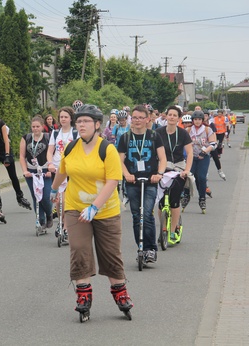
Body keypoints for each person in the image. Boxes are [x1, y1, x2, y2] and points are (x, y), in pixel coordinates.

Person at [50, 104, 134, 319]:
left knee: (110, 254)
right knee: (79, 249)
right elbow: (62, 171)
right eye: (79, 121)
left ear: (97, 125)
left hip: (105, 210)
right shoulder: (70, 148)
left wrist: (95, 207)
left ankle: (121, 294)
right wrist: (53, 191)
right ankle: (84, 295)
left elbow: (113, 181)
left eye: (86, 121)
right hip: (76, 208)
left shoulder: (107, 149)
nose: (81, 124)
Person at [117, 105, 166, 264]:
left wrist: (159, 174)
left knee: (147, 213)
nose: (137, 121)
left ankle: (151, 249)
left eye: (141, 118)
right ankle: (141, 248)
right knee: (137, 216)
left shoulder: (154, 136)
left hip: (150, 181)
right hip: (132, 181)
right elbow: (120, 160)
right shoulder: (125, 138)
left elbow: (163, 159)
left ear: (147, 119)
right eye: (135, 117)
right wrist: (126, 174)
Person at [155, 106, 193, 238]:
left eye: (174, 115)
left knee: (174, 201)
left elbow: (189, 153)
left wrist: (186, 170)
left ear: (178, 118)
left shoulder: (183, 134)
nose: (171, 117)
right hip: (162, 168)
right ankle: (163, 228)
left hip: (178, 168)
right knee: (161, 203)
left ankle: (172, 230)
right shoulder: (158, 132)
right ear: (166, 116)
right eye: (169, 114)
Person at [19, 116, 53, 230]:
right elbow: (22, 156)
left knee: (46, 196)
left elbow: (53, 154)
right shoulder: (26, 138)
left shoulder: (48, 137)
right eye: (33, 126)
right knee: (36, 197)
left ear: (42, 126)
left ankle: (49, 214)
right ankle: (41, 220)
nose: (35, 129)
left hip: (45, 170)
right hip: (31, 171)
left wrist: (50, 170)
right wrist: (25, 171)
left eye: (37, 126)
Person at [186, 110, 217, 213]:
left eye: (199, 119)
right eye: (195, 119)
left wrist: (204, 152)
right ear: (193, 120)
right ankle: (186, 195)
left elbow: (213, 144)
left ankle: (202, 198)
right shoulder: (188, 130)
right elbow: (182, 143)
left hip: (203, 157)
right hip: (192, 157)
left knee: (201, 177)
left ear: (202, 120)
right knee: (189, 176)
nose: (197, 121)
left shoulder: (207, 130)